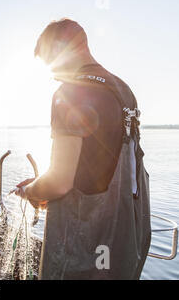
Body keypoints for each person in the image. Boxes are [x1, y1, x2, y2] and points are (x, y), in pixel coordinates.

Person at [14, 19, 151, 279]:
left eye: (50, 61)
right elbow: (99, 164)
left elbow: (59, 182)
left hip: (83, 245)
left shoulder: (71, 92)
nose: (52, 73)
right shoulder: (122, 89)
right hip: (125, 236)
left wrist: (30, 190)